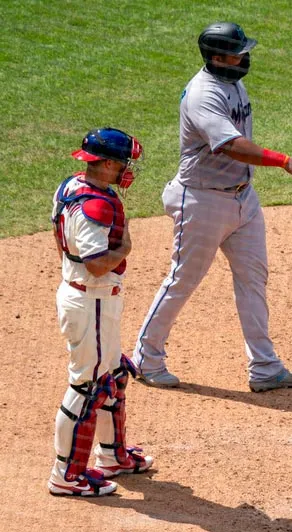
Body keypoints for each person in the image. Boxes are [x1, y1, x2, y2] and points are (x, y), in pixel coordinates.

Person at [133, 22, 292, 392]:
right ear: (217, 57)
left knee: (253, 278)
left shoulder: (232, 82)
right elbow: (231, 145)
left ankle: (265, 367)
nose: (245, 57)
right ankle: (145, 358)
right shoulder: (203, 94)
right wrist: (284, 161)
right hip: (203, 200)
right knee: (183, 279)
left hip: (243, 197)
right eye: (238, 53)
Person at [49, 128, 154, 496]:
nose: (127, 169)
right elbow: (95, 265)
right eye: (123, 163)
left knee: (114, 374)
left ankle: (111, 456)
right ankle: (66, 475)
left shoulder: (70, 186)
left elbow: (63, 245)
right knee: (88, 386)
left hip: (89, 297)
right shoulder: (96, 207)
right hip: (90, 299)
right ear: (107, 164)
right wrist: (125, 249)